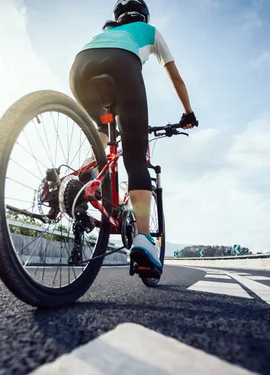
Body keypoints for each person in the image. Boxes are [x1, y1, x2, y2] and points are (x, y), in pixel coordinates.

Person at [69, 0, 198, 277]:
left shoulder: (105, 31)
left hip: (81, 66)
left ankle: (82, 177)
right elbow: (176, 78)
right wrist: (188, 113)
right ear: (144, 16)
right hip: (122, 65)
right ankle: (142, 238)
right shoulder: (149, 31)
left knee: (102, 129)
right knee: (136, 158)